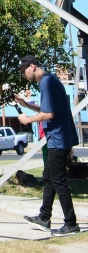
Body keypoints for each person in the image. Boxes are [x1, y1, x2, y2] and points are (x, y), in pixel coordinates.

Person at [17, 55, 79, 235]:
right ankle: (44, 217)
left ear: (32, 66)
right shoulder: (49, 80)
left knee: (58, 181)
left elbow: (49, 114)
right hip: (58, 138)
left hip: (58, 140)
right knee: (49, 178)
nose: (24, 75)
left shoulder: (46, 82)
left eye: (24, 70)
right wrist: (26, 105)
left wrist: (27, 120)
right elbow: (48, 109)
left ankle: (71, 223)